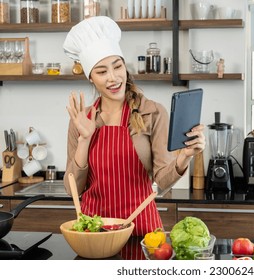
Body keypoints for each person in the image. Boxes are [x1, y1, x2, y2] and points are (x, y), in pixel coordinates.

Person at [62, 16, 206, 238]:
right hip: (94, 230)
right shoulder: (82, 120)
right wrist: (84, 140)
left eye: (117, 66)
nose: (113, 78)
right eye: (101, 72)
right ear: (90, 78)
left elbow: (162, 182)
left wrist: (185, 156)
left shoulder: (153, 112)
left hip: (142, 229)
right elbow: (73, 190)